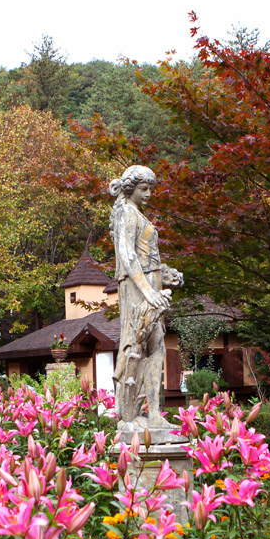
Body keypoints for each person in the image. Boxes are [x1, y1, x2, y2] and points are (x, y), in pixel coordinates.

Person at [110, 165, 183, 430]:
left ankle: (153, 413)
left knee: (157, 347)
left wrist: (165, 275)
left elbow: (144, 258)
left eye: (151, 188)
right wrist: (149, 291)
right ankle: (128, 415)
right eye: (143, 188)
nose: (149, 193)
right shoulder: (127, 213)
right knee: (136, 345)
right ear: (131, 189)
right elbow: (128, 255)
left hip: (149, 284)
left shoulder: (137, 214)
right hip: (137, 288)